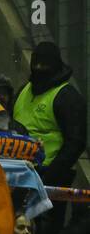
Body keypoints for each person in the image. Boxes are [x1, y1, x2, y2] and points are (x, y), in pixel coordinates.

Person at [14, 41, 87, 187]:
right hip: (16, 171)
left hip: (48, 176)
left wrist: (50, 177)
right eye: (36, 64)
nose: (39, 69)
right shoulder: (24, 89)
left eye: (45, 65)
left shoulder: (67, 97)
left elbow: (75, 143)